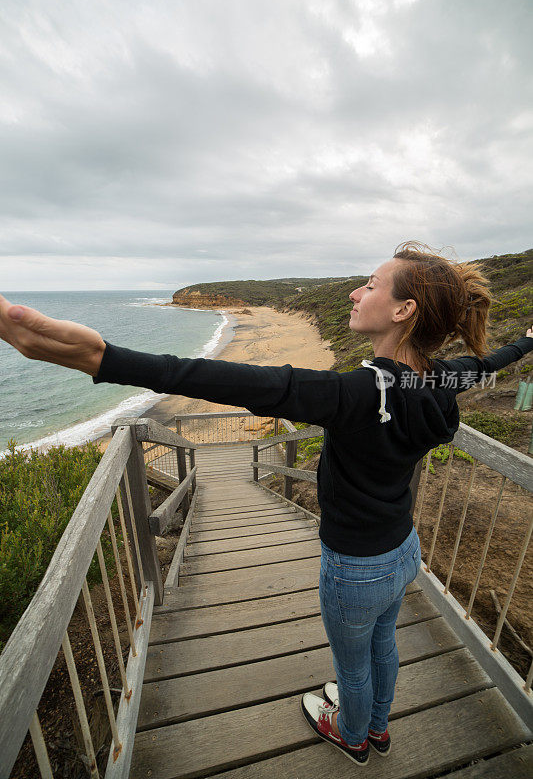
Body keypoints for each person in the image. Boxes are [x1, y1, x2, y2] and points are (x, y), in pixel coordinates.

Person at [0, 241, 532, 767]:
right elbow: (493, 362)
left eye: (369, 284)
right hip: (402, 551)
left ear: (402, 311)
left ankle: (352, 735)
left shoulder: (353, 393)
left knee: (353, 670)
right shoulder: (443, 380)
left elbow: (225, 380)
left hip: (355, 565)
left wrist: (102, 357)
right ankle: (377, 727)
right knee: (383, 647)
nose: (353, 291)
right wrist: (527, 342)